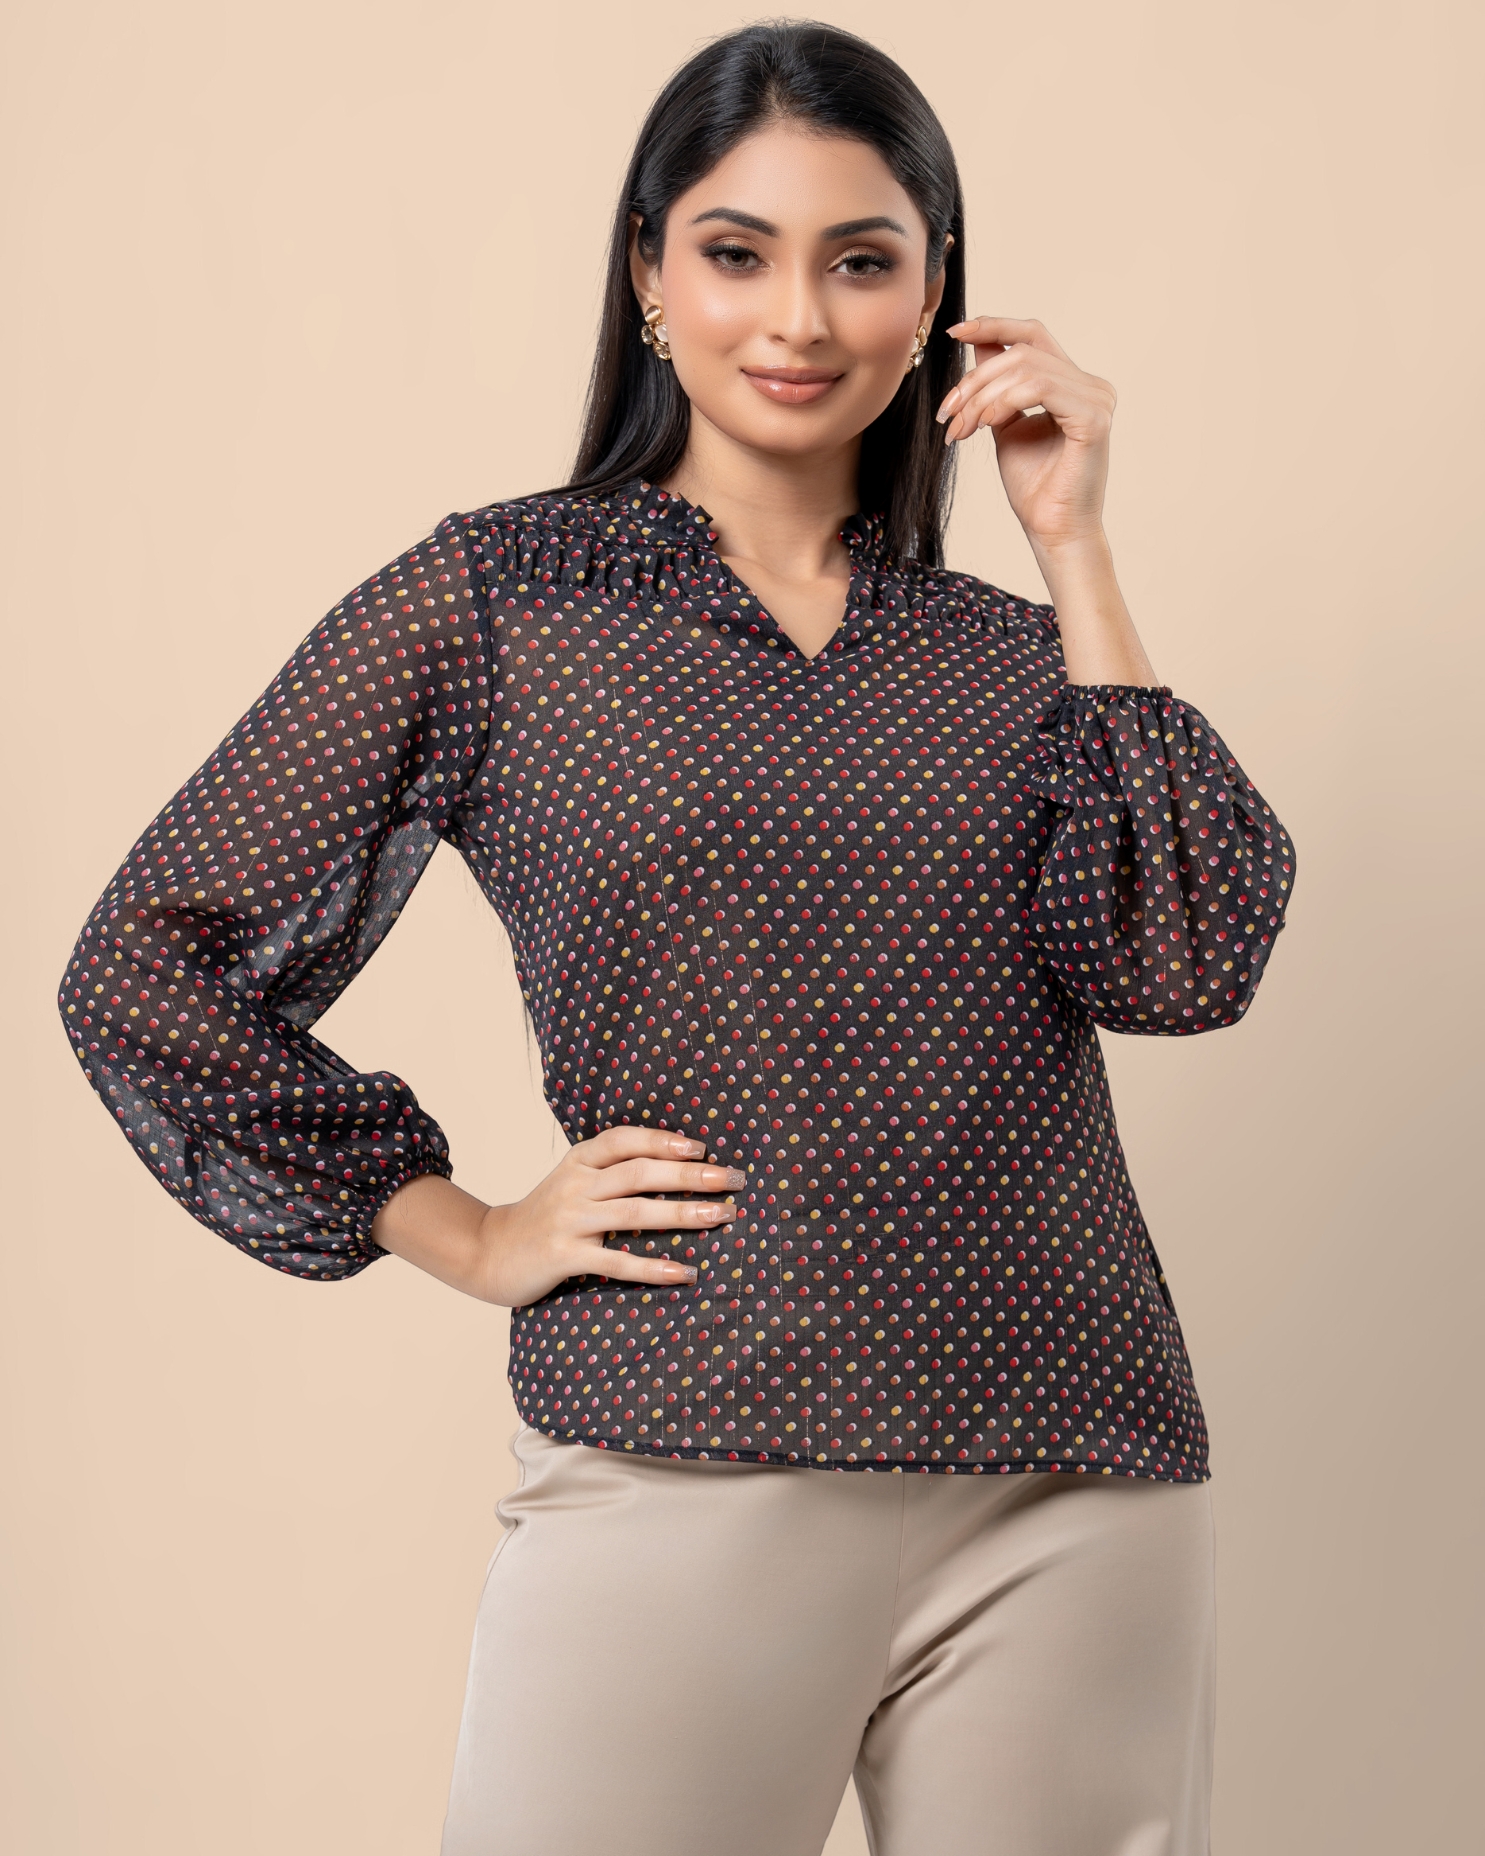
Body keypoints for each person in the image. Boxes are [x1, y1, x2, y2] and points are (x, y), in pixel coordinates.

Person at [59, 20, 1294, 1856]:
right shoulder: (500, 601)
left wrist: (1074, 546)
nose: (796, 317)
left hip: (1068, 1465)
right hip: (683, 1439)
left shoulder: (1006, 652)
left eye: (859, 260)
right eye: (735, 251)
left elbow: (1181, 963)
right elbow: (151, 965)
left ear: (932, 297)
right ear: (648, 272)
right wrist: (461, 1227)